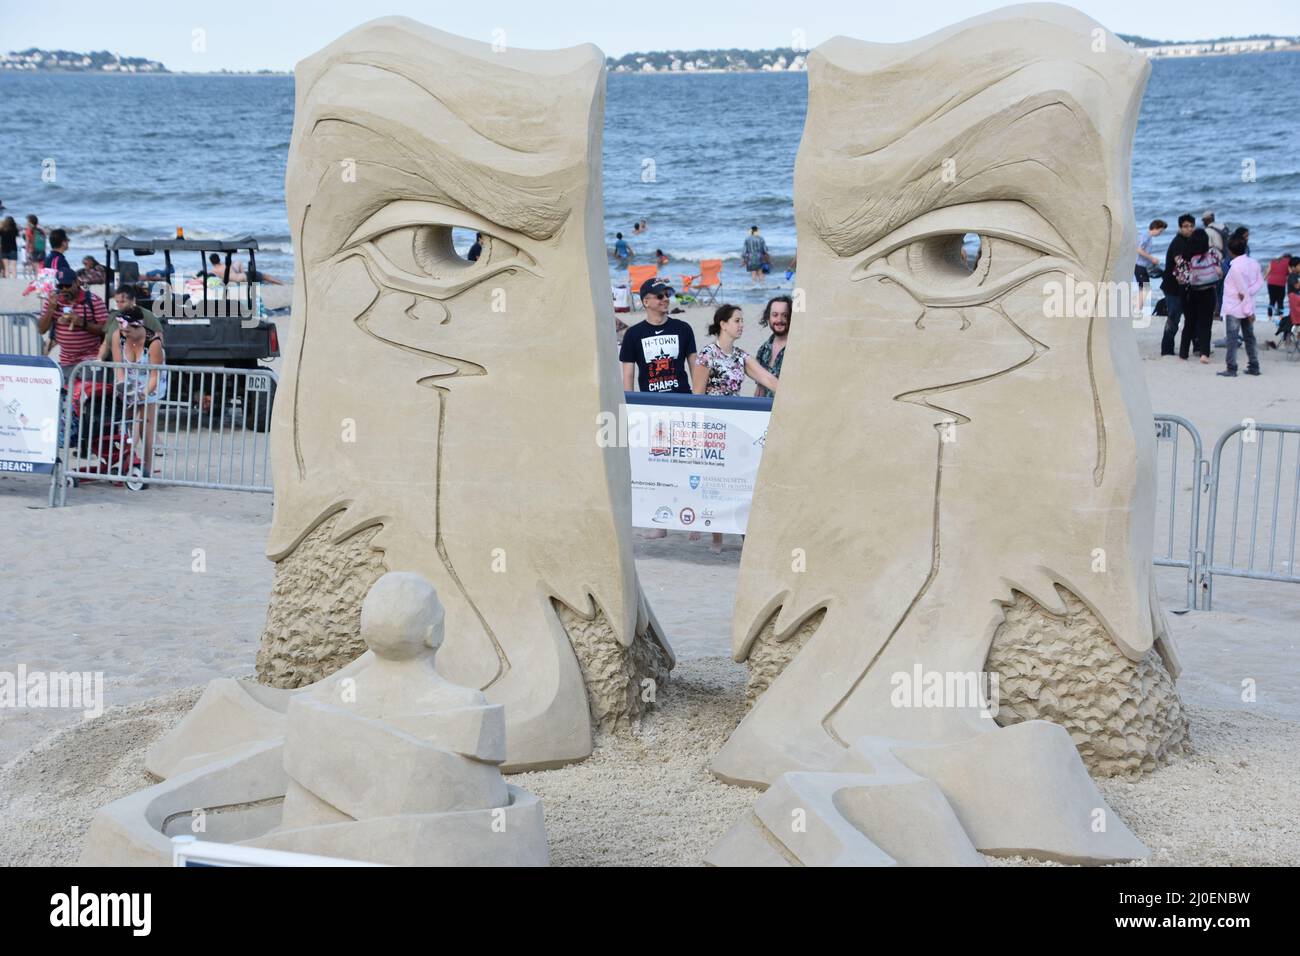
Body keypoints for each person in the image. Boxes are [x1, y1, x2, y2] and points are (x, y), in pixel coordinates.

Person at [109, 306, 167, 480]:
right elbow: (118, 365)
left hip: (151, 381)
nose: (122, 331)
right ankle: (126, 461)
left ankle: (147, 468)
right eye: (120, 326)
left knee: (145, 425)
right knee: (125, 423)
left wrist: (143, 394)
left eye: (126, 328)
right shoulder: (118, 336)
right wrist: (122, 387)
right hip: (129, 378)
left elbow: (155, 376)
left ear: (137, 326)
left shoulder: (153, 343)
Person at [620, 278, 697, 394]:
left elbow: (695, 369)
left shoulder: (683, 328)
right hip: (651, 403)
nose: (666, 299)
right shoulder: (633, 334)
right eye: (660, 296)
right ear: (646, 302)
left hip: (682, 399)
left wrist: (698, 400)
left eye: (667, 295)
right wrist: (629, 405)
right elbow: (628, 377)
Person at [691, 304, 780, 398]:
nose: (741, 325)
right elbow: (697, 395)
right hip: (713, 410)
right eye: (737, 321)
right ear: (723, 324)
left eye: (742, 321)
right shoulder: (707, 354)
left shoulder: (740, 356)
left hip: (735, 409)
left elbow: (767, 378)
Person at [37, 275, 109, 380]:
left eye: (68, 285)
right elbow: (41, 329)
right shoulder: (53, 301)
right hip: (66, 360)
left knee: (85, 392)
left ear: (77, 282)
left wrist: (82, 323)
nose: (64, 289)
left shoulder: (93, 300)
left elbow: (105, 329)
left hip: (90, 359)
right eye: (61, 286)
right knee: (67, 392)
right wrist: (51, 309)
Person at [1217, 234, 1263, 377]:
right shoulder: (1254, 263)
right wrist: (1249, 294)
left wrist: (1248, 309)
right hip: (1247, 305)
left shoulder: (1235, 268)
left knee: (1232, 338)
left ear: (1230, 251)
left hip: (1235, 307)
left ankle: (1232, 368)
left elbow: (1242, 290)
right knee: (1249, 337)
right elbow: (1260, 283)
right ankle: (1254, 365)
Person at [1176, 228, 1221, 362]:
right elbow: (1218, 271)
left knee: (1189, 323)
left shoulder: (1184, 257)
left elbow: (1180, 277)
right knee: (1205, 324)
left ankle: (1183, 353)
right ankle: (1204, 354)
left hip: (1188, 293)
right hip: (1207, 292)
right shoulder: (1212, 254)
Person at [1159, 214, 1196, 356]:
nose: (1189, 229)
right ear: (1180, 227)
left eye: (1192, 226)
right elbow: (1180, 263)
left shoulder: (1189, 241)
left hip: (1183, 287)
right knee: (1174, 318)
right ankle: (1167, 349)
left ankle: (1194, 345)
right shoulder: (1178, 242)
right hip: (1172, 287)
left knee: (1187, 317)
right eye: (1186, 226)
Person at [99, 284, 163, 360]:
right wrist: (98, 360)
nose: (119, 305)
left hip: (142, 364)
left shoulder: (146, 315)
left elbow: (159, 339)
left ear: (133, 300)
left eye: (123, 302)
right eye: (117, 302)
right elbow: (106, 344)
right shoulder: (113, 316)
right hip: (115, 364)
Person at [753, 295, 792, 398]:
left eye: (785, 315)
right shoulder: (763, 349)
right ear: (768, 317)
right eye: (775, 315)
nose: (779, 320)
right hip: (765, 410)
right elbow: (759, 390)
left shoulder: (797, 348)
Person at [1135, 219, 1166, 314]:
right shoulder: (1146, 236)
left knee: (1144, 288)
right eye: (1160, 231)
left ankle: (1137, 309)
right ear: (1155, 228)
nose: (1160, 234)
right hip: (1140, 266)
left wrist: (1151, 262)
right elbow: (1139, 249)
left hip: (1142, 266)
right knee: (1144, 288)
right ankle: (1137, 310)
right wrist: (1151, 258)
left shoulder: (1147, 236)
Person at [1265, 253, 1291, 318]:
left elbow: (1267, 272)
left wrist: (1263, 279)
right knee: (1280, 300)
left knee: (1272, 300)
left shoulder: (1273, 261)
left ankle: (1269, 317)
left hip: (1270, 283)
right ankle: (1280, 316)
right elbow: (1291, 273)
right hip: (1281, 283)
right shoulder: (1288, 262)